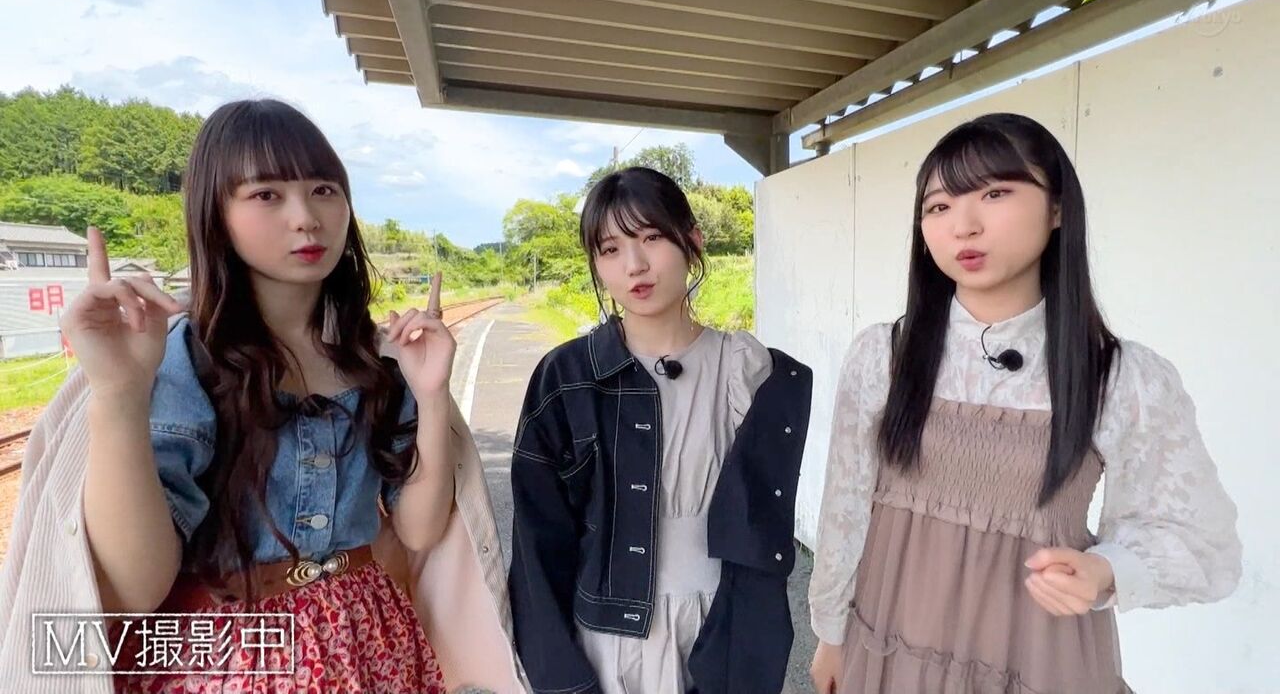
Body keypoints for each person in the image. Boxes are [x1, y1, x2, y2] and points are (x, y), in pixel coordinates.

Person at [0, 99, 524, 694]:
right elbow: (131, 590)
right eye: (266, 194)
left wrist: (430, 396)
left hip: (371, 644)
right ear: (216, 214)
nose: (306, 218)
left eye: (323, 190)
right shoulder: (177, 359)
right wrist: (120, 390)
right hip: (229, 661)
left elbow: (420, 532)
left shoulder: (377, 360)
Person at [808, 112, 1242, 693]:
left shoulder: (1120, 378)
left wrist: (1106, 570)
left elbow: (1203, 544)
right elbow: (844, 505)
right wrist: (830, 634)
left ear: (1058, 208)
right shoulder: (883, 356)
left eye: (995, 194)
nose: (963, 226)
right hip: (889, 640)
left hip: (1035, 654)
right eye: (938, 206)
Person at [508, 167, 812, 694]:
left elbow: (763, 527)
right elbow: (537, 540)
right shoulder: (568, 377)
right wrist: (556, 672)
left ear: (692, 240)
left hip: (723, 630)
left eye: (651, 237)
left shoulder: (747, 370)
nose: (635, 265)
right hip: (611, 641)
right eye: (610, 249)